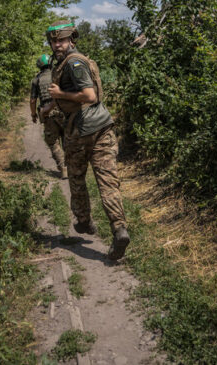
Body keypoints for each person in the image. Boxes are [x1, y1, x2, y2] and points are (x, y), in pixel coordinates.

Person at [45, 20, 130, 261]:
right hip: (103, 127)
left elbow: (89, 95)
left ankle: (83, 220)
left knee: (77, 177)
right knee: (107, 181)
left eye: (61, 40)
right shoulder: (72, 61)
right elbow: (71, 95)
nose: (56, 44)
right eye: (53, 41)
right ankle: (119, 229)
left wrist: (60, 94)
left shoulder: (73, 62)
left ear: (72, 39)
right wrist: (52, 105)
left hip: (82, 131)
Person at [30, 53, 68, 179]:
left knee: (53, 142)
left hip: (47, 113)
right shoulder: (57, 74)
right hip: (62, 110)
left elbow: (33, 100)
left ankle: (63, 168)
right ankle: (72, 166)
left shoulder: (36, 80)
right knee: (67, 138)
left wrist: (34, 114)